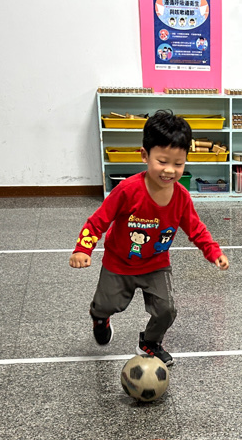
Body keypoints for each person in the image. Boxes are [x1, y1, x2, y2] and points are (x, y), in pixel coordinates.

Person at [69, 110, 228, 365]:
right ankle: (99, 318)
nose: (170, 170)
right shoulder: (127, 190)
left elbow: (196, 228)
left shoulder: (181, 197)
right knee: (106, 305)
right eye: (162, 161)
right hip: (119, 262)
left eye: (178, 164)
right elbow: (98, 221)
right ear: (145, 155)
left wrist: (213, 251)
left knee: (167, 309)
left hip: (156, 264)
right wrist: (82, 249)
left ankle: (150, 343)